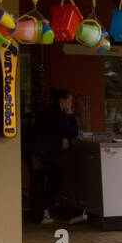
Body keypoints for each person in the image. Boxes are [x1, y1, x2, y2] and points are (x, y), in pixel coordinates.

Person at [29, 89, 78, 223]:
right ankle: (41, 213)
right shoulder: (58, 114)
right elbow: (72, 131)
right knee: (49, 179)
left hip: (38, 151)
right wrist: (70, 115)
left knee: (41, 181)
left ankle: (40, 213)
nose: (71, 104)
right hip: (43, 153)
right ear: (62, 101)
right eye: (70, 101)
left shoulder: (47, 112)